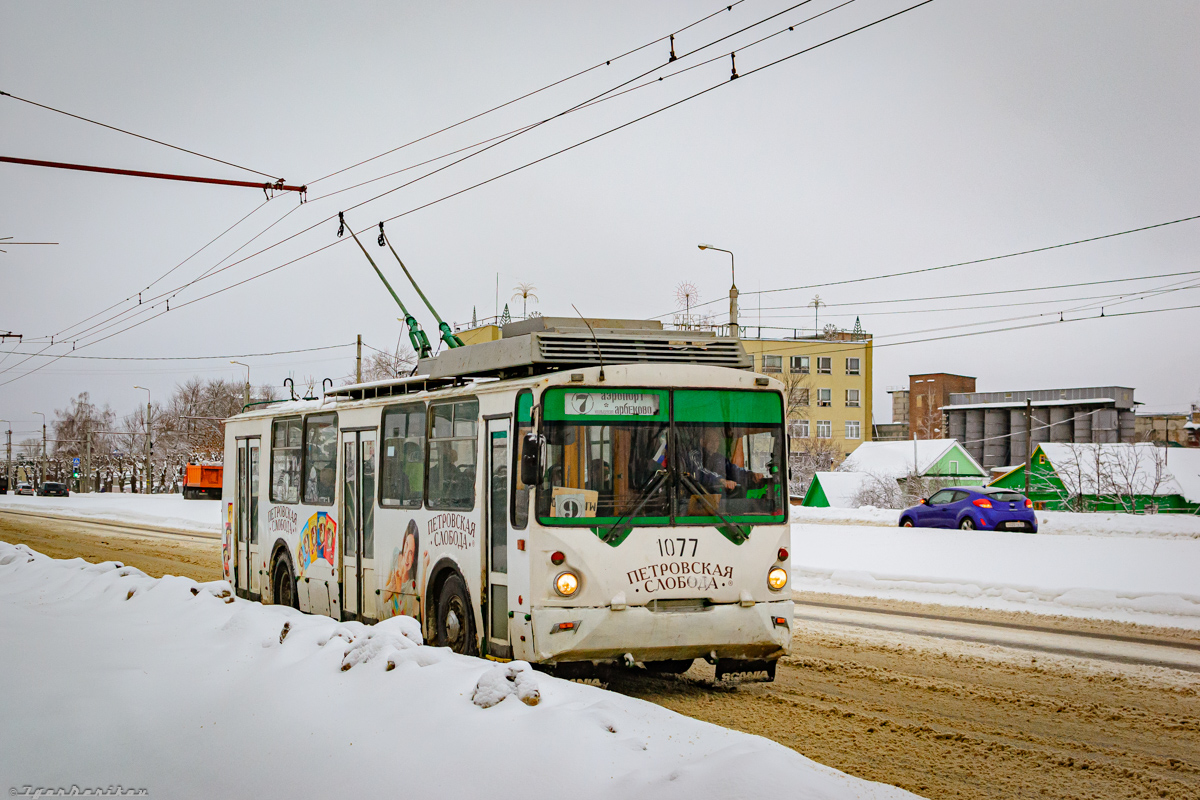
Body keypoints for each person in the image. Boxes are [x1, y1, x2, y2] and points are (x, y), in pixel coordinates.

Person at [681, 427, 766, 494]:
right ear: (702, 442)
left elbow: (733, 470)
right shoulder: (694, 454)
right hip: (699, 500)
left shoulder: (719, 458)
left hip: (720, 502)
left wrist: (751, 475)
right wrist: (720, 480)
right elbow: (700, 472)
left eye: (717, 441)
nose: (715, 444)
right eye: (711, 441)